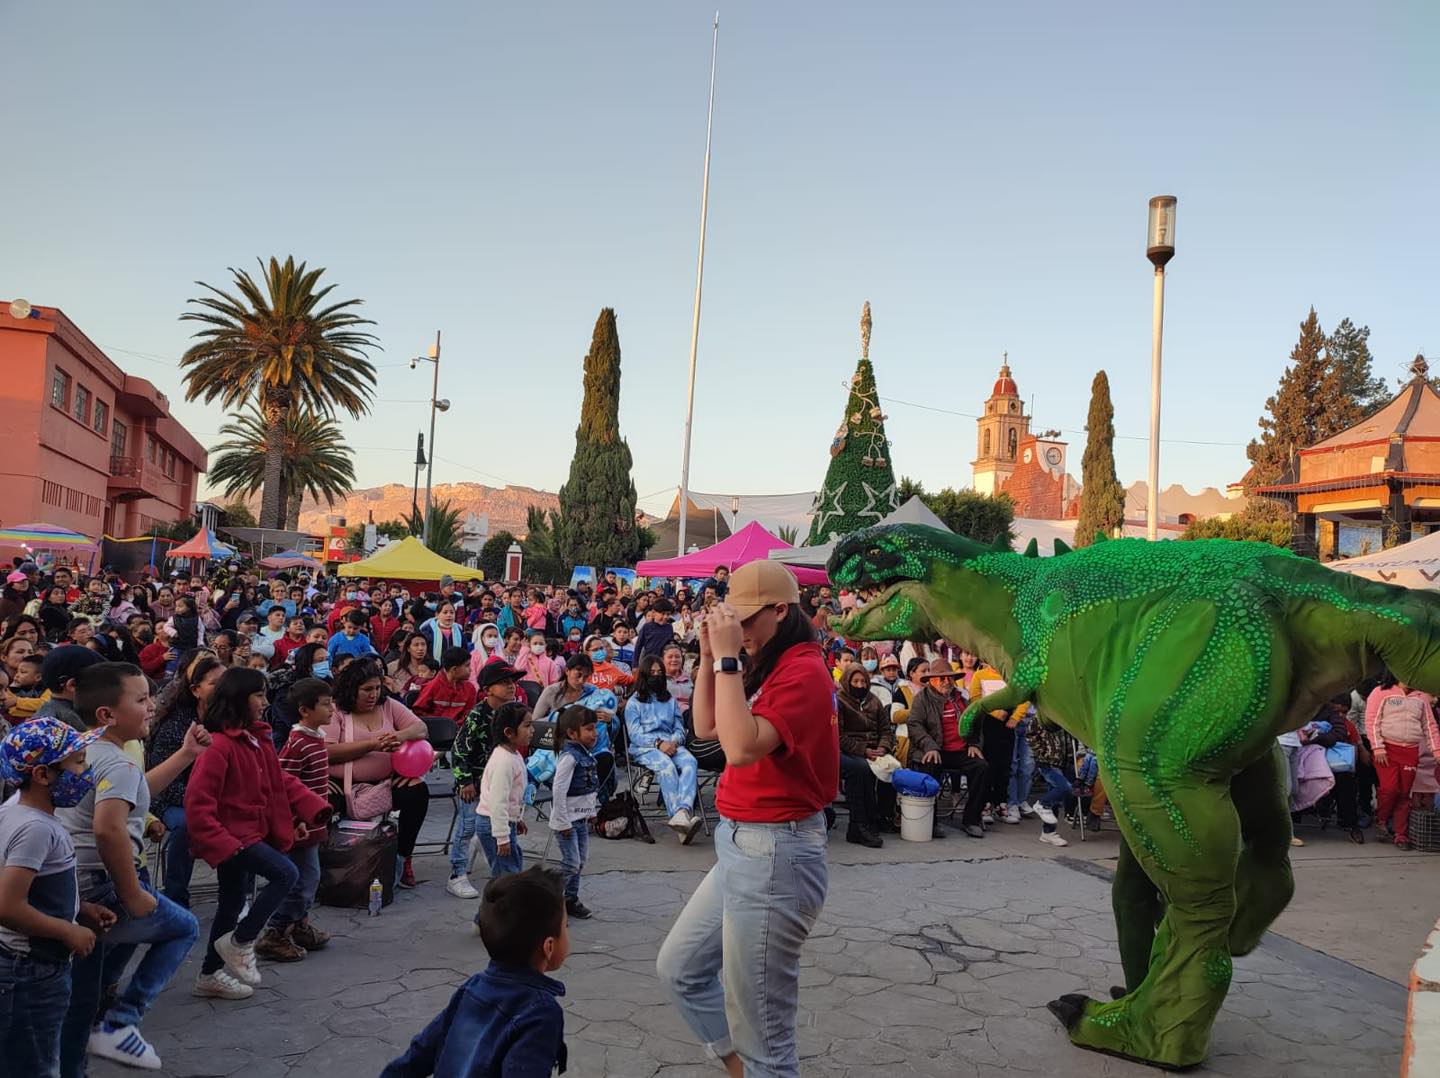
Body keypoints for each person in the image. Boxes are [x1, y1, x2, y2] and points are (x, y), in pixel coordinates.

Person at [657, 561, 836, 1078]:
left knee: (767, 1043)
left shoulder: (803, 669)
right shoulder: (766, 658)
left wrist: (730, 658)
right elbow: (707, 725)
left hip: (776, 852)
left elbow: (736, 749)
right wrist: (712, 657)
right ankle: (741, 1068)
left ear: (782, 611)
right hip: (744, 844)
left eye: (746, 620)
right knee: (681, 970)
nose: (739, 630)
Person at [58, 663, 202, 1075]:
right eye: (140, 700)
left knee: (81, 998)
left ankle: (76, 1062)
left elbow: (136, 793)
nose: (152, 706)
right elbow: (108, 828)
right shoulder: (118, 764)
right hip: (105, 885)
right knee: (183, 928)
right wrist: (132, 892)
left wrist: (186, 754)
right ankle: (122, 1022)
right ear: (106, 714)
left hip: (75, 887)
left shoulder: (88, 750)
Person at [184, 667, 330, 997]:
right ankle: (243, 940)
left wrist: (309, 806)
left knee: (231, 903)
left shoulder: (256, 739)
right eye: (259, 695)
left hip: (248, 834)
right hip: (234, 839)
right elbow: (198, 803)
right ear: (239, 699)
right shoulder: (220, 746)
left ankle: (209, 973)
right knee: (285, 874)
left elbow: (279, 781)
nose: (266, 702)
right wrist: (222, 844)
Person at [0, 718, 112, 1078]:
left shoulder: (16, 809)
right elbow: (7, 906)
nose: (86, 770)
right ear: (42, 775)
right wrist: (67, 931)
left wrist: (79, 910)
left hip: (28, 965)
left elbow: (37, 889)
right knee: (35, 1064)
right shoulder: (35, 828)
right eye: (77, 762)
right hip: (31, 970)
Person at [381, 868, 569, 1078]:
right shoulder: (540, 1012)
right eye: (565, 927)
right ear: (549, 947)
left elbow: (420, 1053)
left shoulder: (473, 987)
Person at [325, 659, 431, 888]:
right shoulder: (336, 711)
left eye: (377, 688)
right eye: (367, 690)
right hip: (341, 782)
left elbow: (421, 728)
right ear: (351, 689)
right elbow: (328, 750)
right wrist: (372, 745)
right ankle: (328, 863)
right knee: (320, 801)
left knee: (417, 791)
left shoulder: (389, 706)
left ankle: (403, 856)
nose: (373, 695)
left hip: (385, 780)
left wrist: (399, 737)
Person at [262, 677, 337, 961]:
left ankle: (299, 925)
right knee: (305, 879)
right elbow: (285, 785)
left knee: (309, 878)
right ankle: (276, 931)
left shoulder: (315, 739)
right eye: (326, 705)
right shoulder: (297, 743)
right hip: (301, 826)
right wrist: (295, 819)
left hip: (314, 823)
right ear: (305, 710)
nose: (332, 710)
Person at [146, 654, 225, 909]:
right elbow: (165, 779)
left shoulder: (229, 722)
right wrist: (202, 801)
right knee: (187, 825)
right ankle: (176, 898)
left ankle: (235, 892)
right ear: (196, 690)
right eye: (215, 683)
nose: (223, 688)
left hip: (217, 797)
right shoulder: (177, 725)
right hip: (173, 797)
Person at [448, 662, 521, 899]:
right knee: (467, 826)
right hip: (475, 781)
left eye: (513, 682)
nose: (511, 686)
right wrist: (464, 781)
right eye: (504, 683)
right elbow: (459, 750)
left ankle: (496, 865)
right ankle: (457, 874)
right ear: (488, 689)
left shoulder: (512, 712)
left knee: (496, 825)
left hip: (499, 782)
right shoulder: (477, 715)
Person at [906, 660, 990, 838]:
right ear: (932, 680)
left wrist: (974, 744)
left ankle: (972, 819)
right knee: (930, 766)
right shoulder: (922, 699)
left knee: (982, 767)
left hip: (960, 750)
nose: (946, 681)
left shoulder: (961, 699)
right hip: (935, 748)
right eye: (941, 678)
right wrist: (930, 746)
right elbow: (914, 725)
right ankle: (931, 822)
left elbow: (975, 725)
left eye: (949, 678)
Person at [625, 654, 702, 842]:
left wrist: (675, 741)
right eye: (652, 673)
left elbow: (679, 726)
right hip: (645, 747)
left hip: (672, 744)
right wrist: (659, 744)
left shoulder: (669, 700)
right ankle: (679, 816)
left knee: (690, 762)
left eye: (660, 672)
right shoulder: (634, 703)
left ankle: (683, 811)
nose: (656, 676)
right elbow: (635, 735)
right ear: (644, 675)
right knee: (666, 767)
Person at [534, 655, 620, 803]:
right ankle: (577, 800)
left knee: (606, 758)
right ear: (567, 671)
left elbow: (613, 724)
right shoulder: (552, 692)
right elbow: (535, 723)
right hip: (561, 747)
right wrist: (564, 719)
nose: (581, 681)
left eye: (586, 677)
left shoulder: (593, 693)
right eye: (578, 675)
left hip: (591, 747)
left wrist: (610, 719)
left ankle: (590, 798)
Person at [1366, 680, 1440, 849]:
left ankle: (1400, 834)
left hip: (1410, 751)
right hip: (1386, 750)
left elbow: (1430, 726)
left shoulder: (1421, 696)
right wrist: (1377, 747)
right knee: (1390, 789)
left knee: (1404, 793)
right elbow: (1372, 721)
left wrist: (1437, 752)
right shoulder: (1381, 691)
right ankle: (1382, 819)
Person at [837, 661, 896, 847]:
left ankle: (882, 816)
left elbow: (886, 730)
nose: (860, 685)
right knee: (862, 769)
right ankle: (861, 824)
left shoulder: (874, 701)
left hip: (875, 749)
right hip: (851, 749)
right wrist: (863, 750)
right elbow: (839, 736)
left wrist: (884, 747)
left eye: (863, 681)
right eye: (855, 681)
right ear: (847, 681)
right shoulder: (840, 701)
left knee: (893, 767)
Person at [474, 702, 534, 885]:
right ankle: (498, 911)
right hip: (494, 823)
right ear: (509, 732)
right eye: (527, 725)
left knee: (510, 867)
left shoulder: (513, 755)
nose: (532, 730)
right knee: (506, 876)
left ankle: (503, 909)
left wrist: (517, 818)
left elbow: (512, 797)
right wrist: (501, 837)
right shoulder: (504, 761)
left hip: (503, 822)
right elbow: (498, 802)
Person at [550, 707, 599, 920]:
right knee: (570, 863)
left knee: (580, 861)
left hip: (580, 818)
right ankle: (549, 894)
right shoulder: (570, 757)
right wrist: (562, 822)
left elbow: (588, 787)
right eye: (589, 729)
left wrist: (591, 811)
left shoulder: (585, 753)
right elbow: (558, 790)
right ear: (572, 734)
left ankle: (571, 899)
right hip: (567, 822)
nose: (594, 733)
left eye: (595, 728)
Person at [35, 644, 106, 731]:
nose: (103, 688)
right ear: (72, 685)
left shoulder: (48, 714)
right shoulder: (57, 725)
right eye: (99, 681)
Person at [1026, 717, 1073, 847]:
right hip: (1048, 762)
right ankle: (1042, 804)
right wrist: (1042, 753)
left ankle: (1048, 832)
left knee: (1055, 796)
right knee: (1064, 787)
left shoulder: (1064, 713)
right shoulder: (1041, 716)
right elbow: (1030, 735)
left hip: (1064, 760)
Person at [413, 646, 479, 723]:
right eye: (467, 665)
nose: (470, 670)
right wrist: (439, 724)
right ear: (455, 670)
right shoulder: (433, 686)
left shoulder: (470, 689)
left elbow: (469, 715)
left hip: (458, 731)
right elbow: (418, 712)